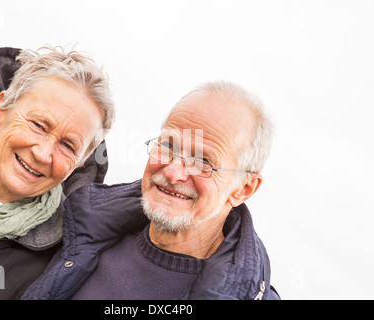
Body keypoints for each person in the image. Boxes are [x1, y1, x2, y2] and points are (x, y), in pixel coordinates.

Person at [22, 81, 280, 300]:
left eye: (204, 162)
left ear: (244, 189)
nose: (172, 172)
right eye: (168, 145)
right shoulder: (77, 228)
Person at [0, 46, 114, 299]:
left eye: (68, 146)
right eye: (38, 125)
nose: (43, 154)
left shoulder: (52, 268)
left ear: (77, 165)